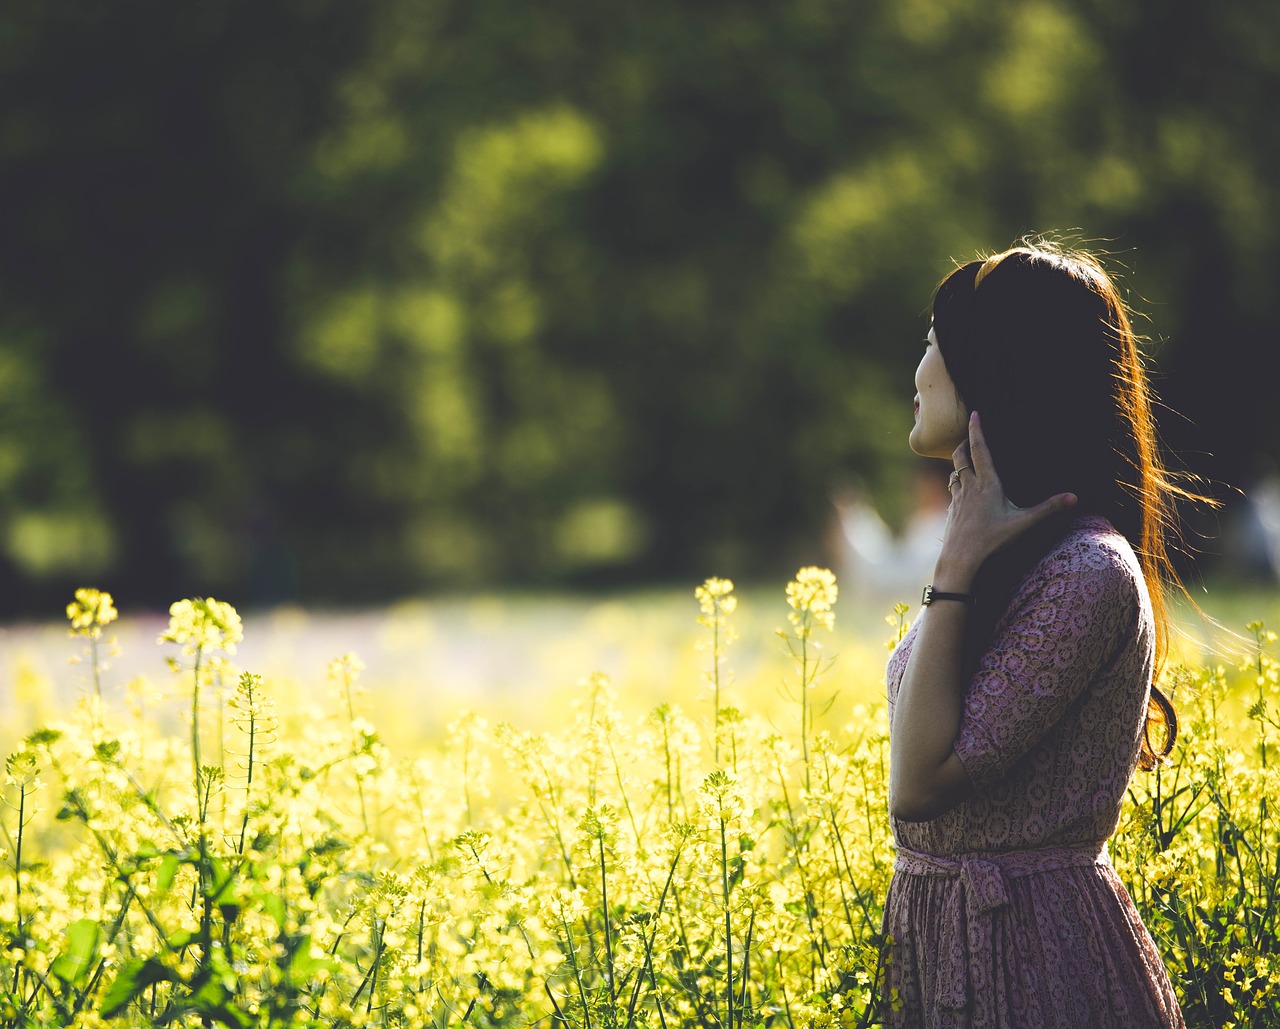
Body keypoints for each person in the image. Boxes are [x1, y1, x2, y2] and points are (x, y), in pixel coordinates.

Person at [881, 239, 1186, 1028]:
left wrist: (952, 562)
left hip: (1043, 968)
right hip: (950, 952)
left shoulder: (1087, 571)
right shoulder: (997, 560)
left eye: (931, 345)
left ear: (995, 369)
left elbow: (915, 787)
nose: (915, 372)